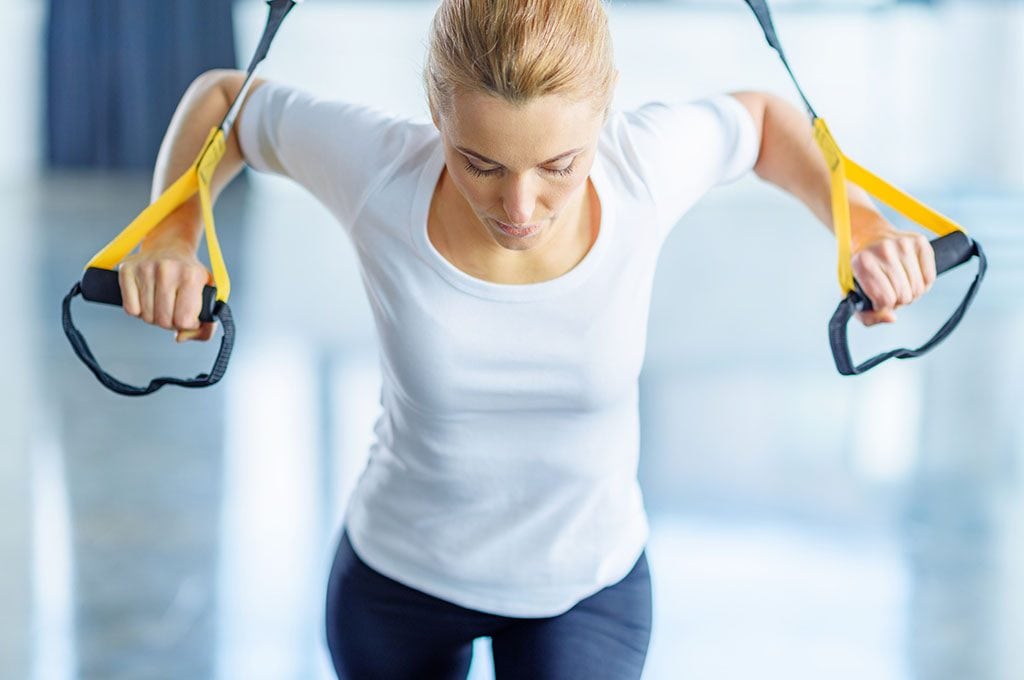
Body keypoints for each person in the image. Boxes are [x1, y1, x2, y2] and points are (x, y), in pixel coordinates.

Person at [117, 0, 937, 677]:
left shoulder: (641, 170)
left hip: (586, 587)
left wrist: (862, 228)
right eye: (479, 162)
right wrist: (169, 234)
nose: (519, 205)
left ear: (604, 108)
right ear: (435, 110)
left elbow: (759, 122)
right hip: (396, 579)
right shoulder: (379, 169)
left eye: (559, 165)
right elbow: (228, 101)